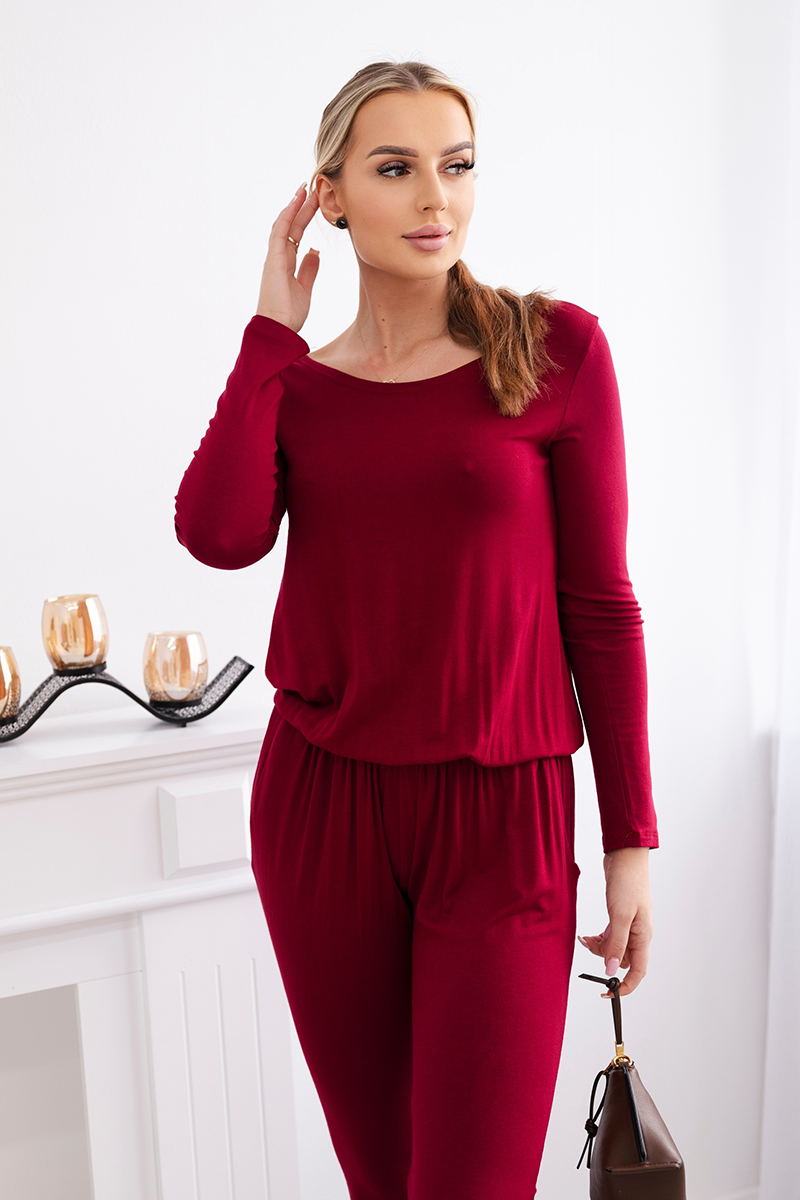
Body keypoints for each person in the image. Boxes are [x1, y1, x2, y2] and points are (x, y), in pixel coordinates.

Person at [174, 59, 658, 1200]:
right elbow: (218, 535)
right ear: (331, 196)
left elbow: (601, 606)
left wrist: (628, 839)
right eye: (395, 169)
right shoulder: (298, 387)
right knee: (383, 1179)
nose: (436, 197)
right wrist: (268, 335)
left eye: (456, 165)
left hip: (502, 810)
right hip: (322, 806)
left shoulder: (554, 352)